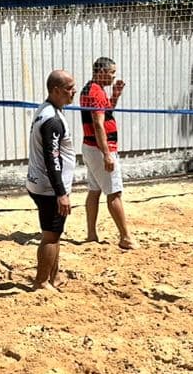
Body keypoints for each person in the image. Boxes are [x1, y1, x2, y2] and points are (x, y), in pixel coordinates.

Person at [27, 70, 77, 291]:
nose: (73, 91)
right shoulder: (52, 120)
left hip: (41, 183)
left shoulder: (47, 109)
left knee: (55, 234)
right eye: (69, 87)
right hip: (49, 187)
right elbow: (52, 159)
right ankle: (41, 281)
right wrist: (61, 193)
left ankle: (53, 278)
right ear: (56, 90)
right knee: (51, 236)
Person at [79, 56, 134, 249]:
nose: (113, 77)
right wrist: (106, 154)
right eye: (111, 73)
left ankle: (92, 235)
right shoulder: (95, 92)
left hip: (90, 146)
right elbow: (98, 124)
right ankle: (126, 238)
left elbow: (105, 112)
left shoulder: (92, 89)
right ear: (101, 72)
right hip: (98, 148)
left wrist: (115, 96)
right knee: (114, 193)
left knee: (94, 191)